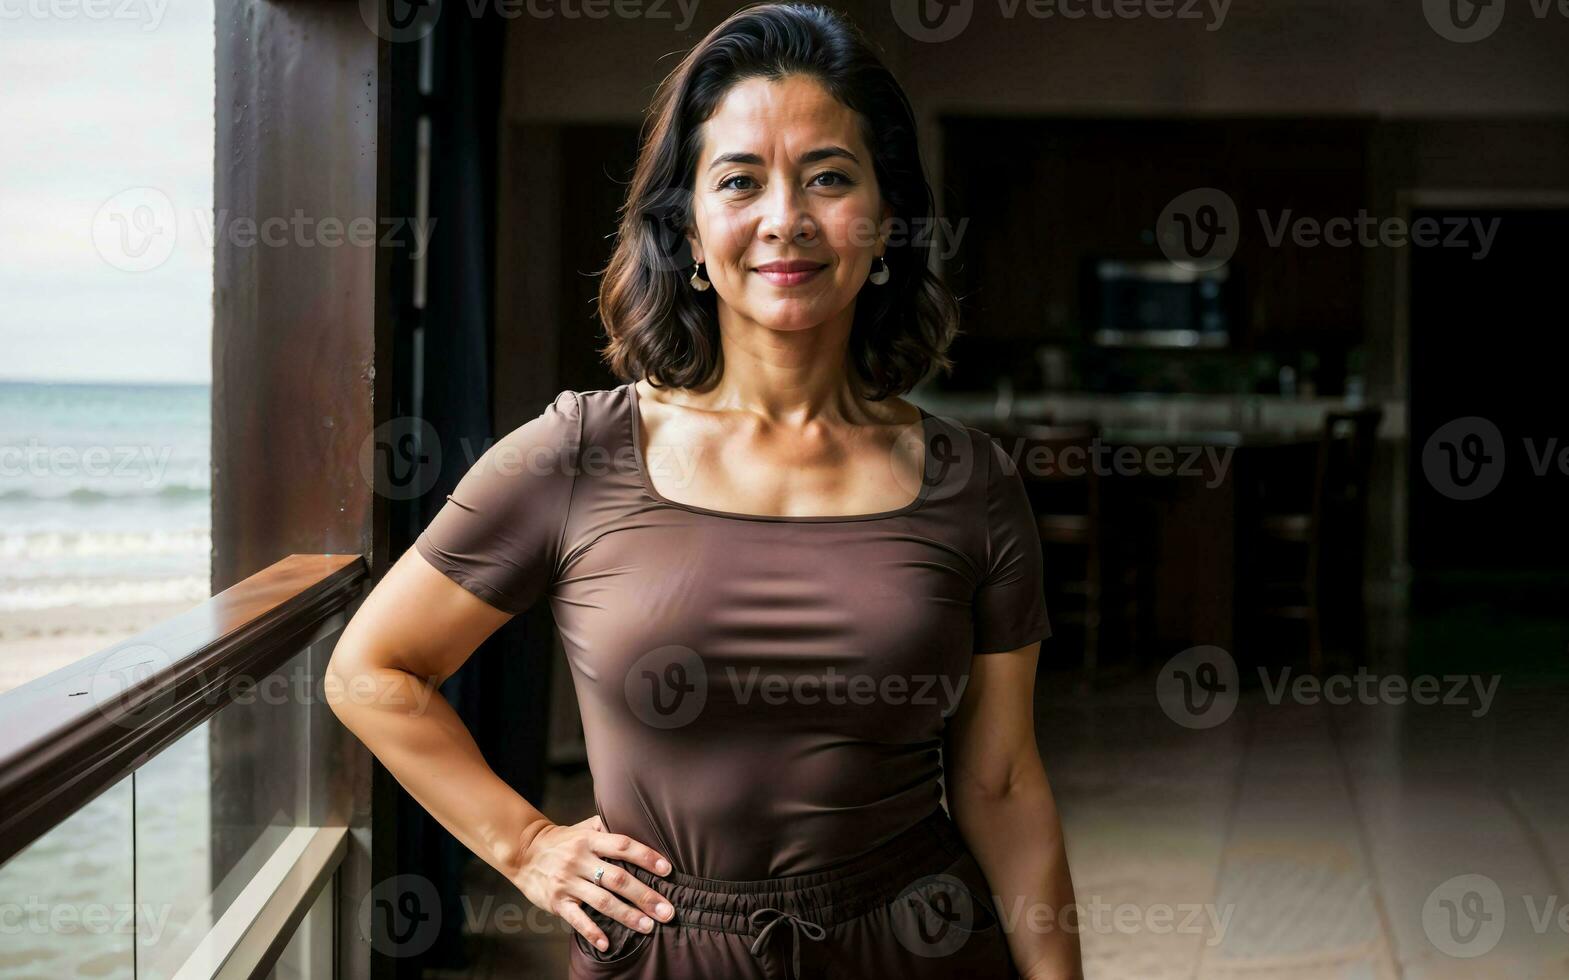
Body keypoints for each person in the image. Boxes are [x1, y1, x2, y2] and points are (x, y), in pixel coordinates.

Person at [327, 4, 1082, 977]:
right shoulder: (577, 455)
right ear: (685, 228)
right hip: (663, 952)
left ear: (886, 220)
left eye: (829, 177)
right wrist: (526, 844)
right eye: (739, 180)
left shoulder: (971, 483)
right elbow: (370, 670)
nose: (786, 218)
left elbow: (1006, 780)